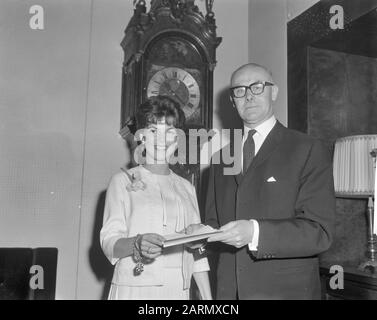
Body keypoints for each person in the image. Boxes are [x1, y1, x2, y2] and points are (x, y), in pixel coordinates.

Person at [202, 63, 335, 299]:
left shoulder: (307, 149)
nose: (249, 95)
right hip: (229, 294)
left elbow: (320, 232)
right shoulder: (220, 158)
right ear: (233, 101)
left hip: (285, 293)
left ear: (273, 92)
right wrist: (199, 237)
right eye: (240, 90)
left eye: (257, 86)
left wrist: (255, 232)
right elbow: (216, 229)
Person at [100, 95, 212, 300]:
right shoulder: (121, 181)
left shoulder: (187, 187)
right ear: (141, 136)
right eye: (153, 131)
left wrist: (208, 300)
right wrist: (137, 243)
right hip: (134, 289)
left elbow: (197, 252)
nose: (161, 140)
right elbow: (108, 242)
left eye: (170, 132)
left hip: (179, 290)